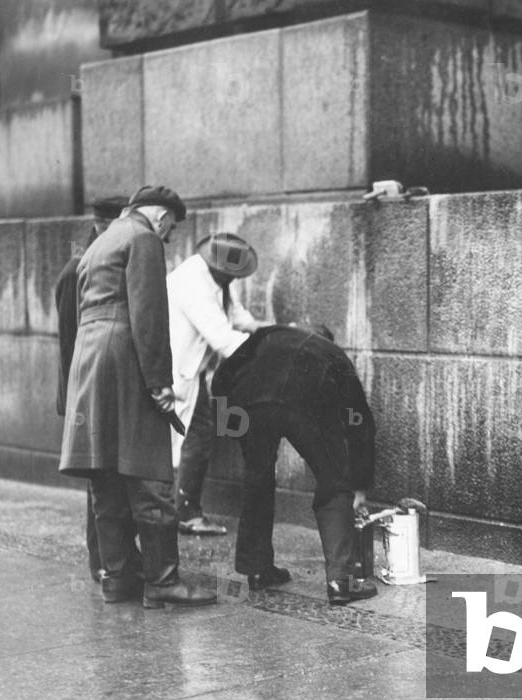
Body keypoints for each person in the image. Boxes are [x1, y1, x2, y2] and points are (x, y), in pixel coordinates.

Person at [60, 184, 216, 608]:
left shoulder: (100, 242)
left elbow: (83, 315)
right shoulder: (143, 238)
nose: (166, 237)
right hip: (125, 364)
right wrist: (160, 383)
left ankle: (118, 578)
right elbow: (148, 315)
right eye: (170, 229)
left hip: (90, 366)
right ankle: (163, 581)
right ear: (162, 217)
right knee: (148, 475)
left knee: (106, 478)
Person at [211, 323, 378, 605]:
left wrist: (228, 427)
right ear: (326, 340)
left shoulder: (268, 335)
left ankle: (258, 570)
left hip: (252, 403)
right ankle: (341, 582)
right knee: (334, 480)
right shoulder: (334, 355)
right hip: (309, 403)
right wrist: (359, 487)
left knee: (257, 480)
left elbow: (221, 377)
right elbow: (360, 424)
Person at [55, 195, 138, 583]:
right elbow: (77, 344)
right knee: (100, 479)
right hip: (89, 391)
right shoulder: (82, 268)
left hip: (101, 388)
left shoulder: (103, 260)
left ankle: (117, 557)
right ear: (107, 225)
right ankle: (103, 561)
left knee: (110, 477)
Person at [167, 232, 269, 537]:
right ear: (217, 267)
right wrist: (271, 350)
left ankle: (179, 508)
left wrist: (272, 330)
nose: (233, 281)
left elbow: (239, 318)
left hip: (192, 373)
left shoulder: (219, 278)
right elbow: (223, 339)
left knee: (193, 437)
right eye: (230, 276)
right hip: (178, 372)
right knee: (193, 437)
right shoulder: (193, 284)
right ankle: (184, 512)